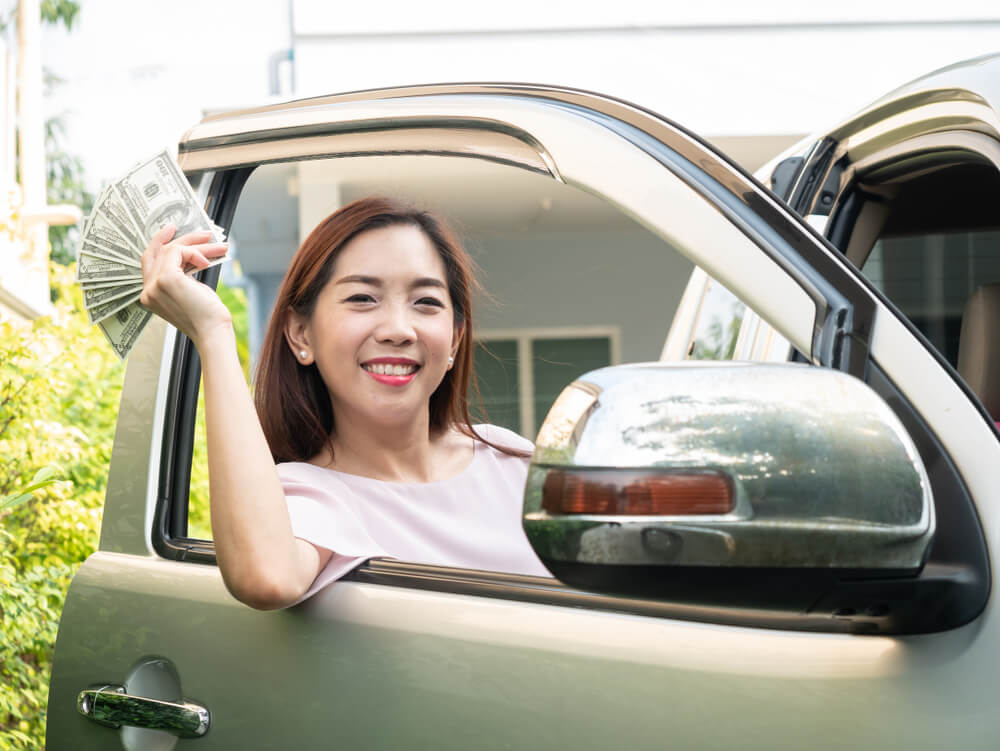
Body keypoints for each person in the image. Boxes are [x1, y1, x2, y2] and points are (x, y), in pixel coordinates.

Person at [140, 196, 549, 610]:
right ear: (301, 335)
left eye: (426, 302)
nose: (398, 329)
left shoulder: (513, 462)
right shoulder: (315, 497)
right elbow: (265, 578)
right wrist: (212, 331)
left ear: (455, 341)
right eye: (362, 299)